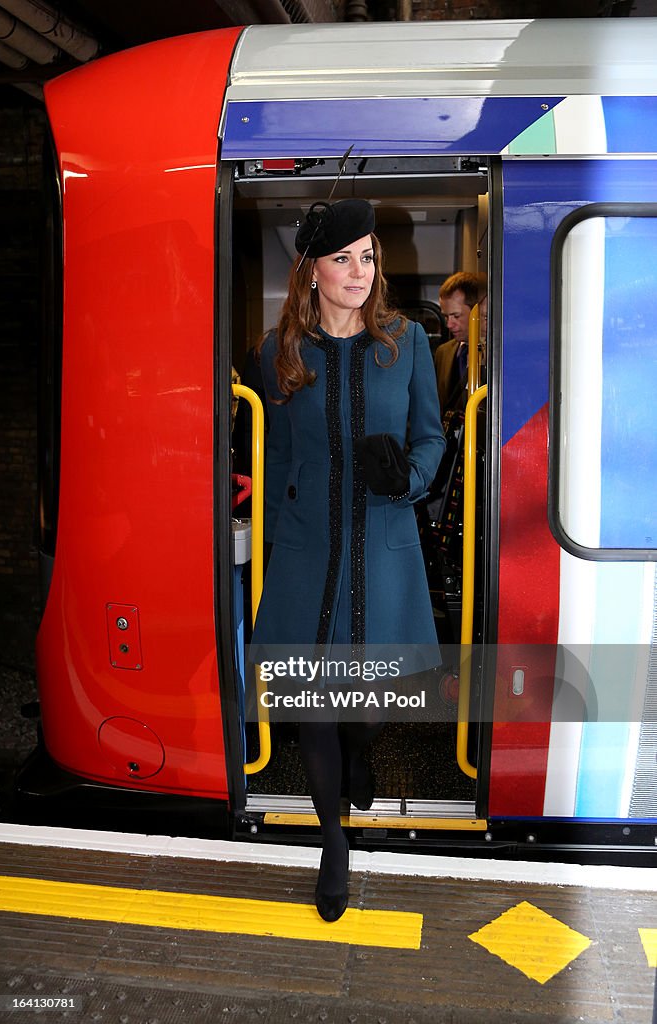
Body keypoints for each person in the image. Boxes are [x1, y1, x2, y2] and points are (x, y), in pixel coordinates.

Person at [250, 198, 445, 922]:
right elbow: (273, 453)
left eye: (368, 256)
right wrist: (273, 521)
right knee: (314, 708)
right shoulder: (277, 354)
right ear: (312, 272)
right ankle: (333, 840)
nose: (360, 271)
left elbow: (433, 437)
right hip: (307, 551)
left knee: (368, 706)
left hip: (384, 545)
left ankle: (364, 753)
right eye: (343, 259)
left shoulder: (407, 343)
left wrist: (411, 476)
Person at [434, 271, 482, 416]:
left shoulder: (493, 353)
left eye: (456, 316)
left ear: (476, 311)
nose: (449, 324)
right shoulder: (443, 352)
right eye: (445, 316)